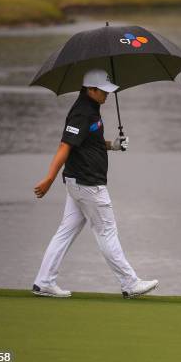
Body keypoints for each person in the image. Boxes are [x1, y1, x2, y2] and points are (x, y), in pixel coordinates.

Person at [32, 68, 158, 299]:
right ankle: (130, 283)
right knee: (107, 231)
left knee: (65, 232)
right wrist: (49, 178)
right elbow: (65, 146)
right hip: (88, 184)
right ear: (91, 90)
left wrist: (114, 145)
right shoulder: (82, 113)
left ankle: (44, 281)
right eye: (103, 91)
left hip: (78, 182)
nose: (107, 95)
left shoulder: (92, 109)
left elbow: (91, 143)